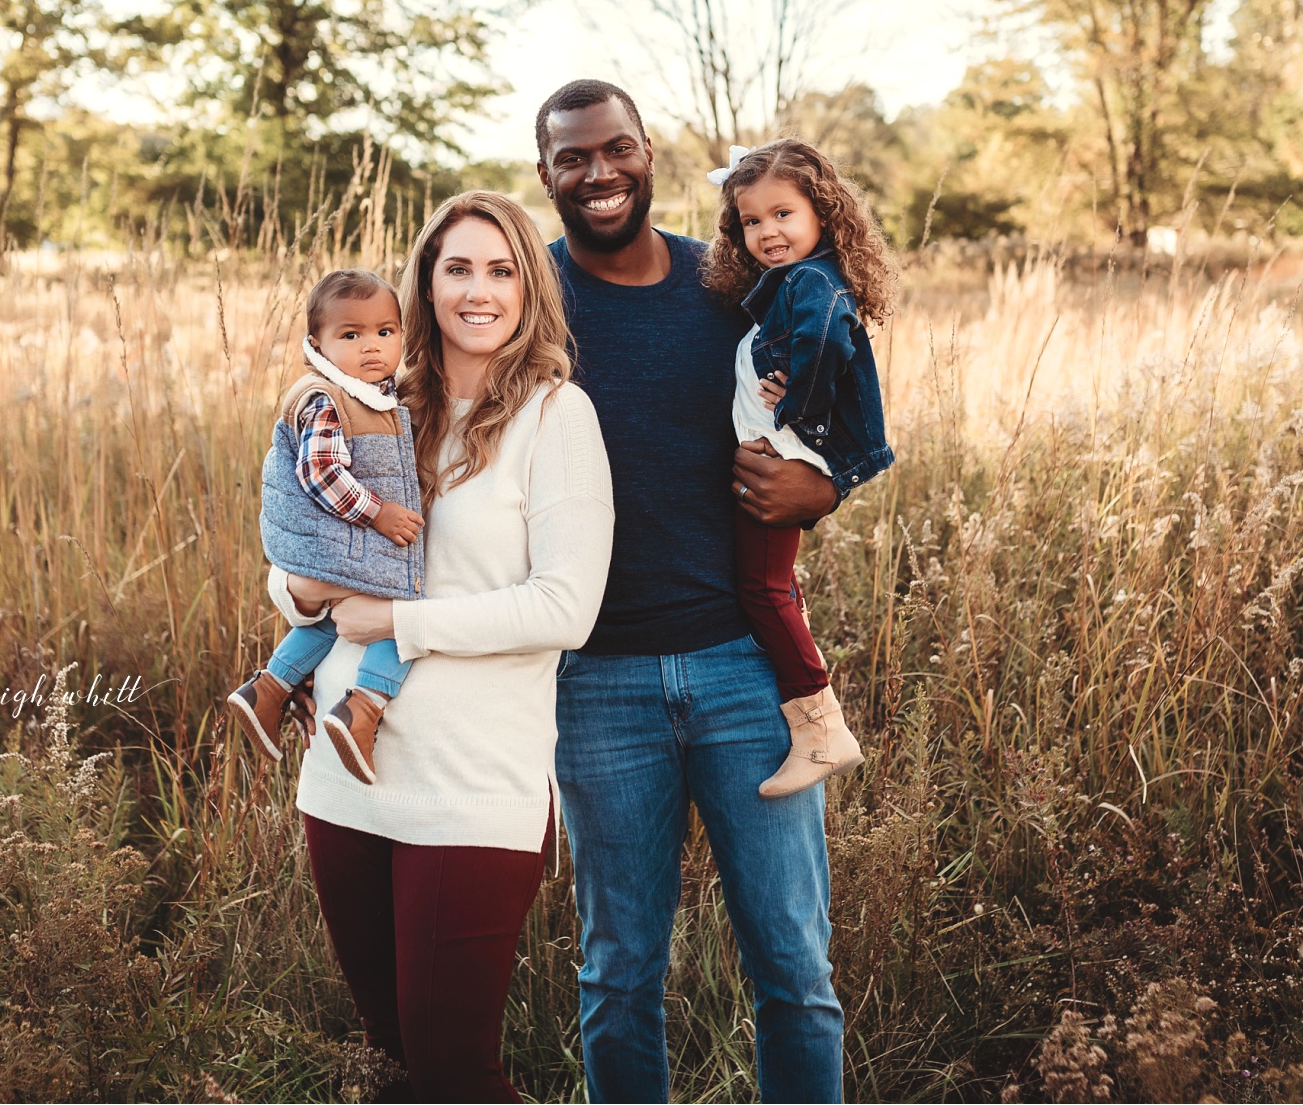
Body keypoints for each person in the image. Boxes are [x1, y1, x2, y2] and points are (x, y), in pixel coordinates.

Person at [536, 80, 849, 1102]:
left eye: (613, 149)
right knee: (618, 975)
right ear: (544, 173)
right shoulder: (523, 299)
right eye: (571, 158)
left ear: (647, 156)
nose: (596, 174)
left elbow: (827, 388)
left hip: (738, 671)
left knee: (794, 973)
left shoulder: (724, 282)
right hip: (592, 683)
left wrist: (828, 484)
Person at [265, 191, 614, 1102]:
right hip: (345, 776)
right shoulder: (370, 401)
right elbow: (291, 544)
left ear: (530, 285)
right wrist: (296, 592)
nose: (478, 291)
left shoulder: (557, 416)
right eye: (456, 267)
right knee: (389, 1055)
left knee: (455, 1070)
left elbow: (565, 607)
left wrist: (399, 623)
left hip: (471, 783)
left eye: (501, 269)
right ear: (427, 282)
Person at [700, 139, 896, 797]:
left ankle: (820, 729)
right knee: (774, 582)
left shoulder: (813, 281)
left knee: (761, 587)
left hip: (788, 458)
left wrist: (797, 414)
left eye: (783, 214)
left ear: (821, 211)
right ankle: (807, 704)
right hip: (780, 452)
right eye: (752, 221)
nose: (767, 232)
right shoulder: (788, 283)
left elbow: (826, 339)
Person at [225, 269, 428, 784]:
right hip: (341, 536)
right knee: (401, 604)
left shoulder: (375, 393)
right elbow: (320, 472)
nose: (372, 347)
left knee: (330, 617)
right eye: (351, 335)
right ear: (317, 344)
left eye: (386, 332)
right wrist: (378, 512)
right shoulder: (328, 398)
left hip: (337, 543)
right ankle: (365, 705)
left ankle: (269, 689)